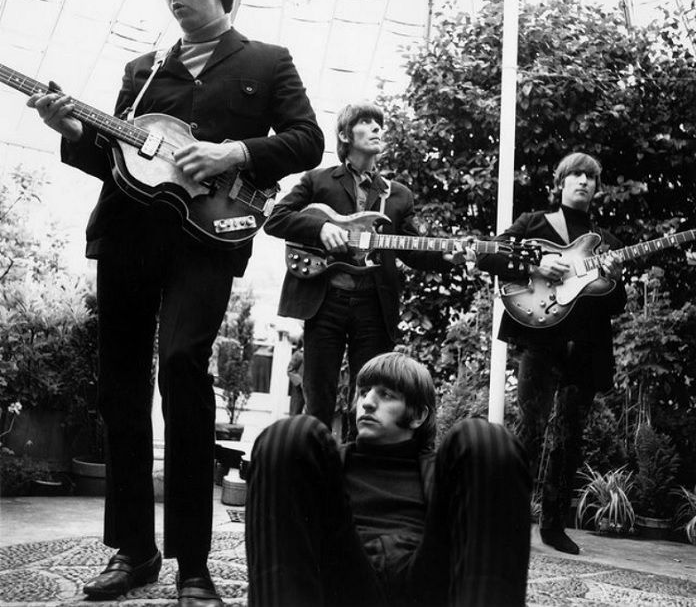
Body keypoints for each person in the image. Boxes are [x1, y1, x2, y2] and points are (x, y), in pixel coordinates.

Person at [26, 0, 323, 606]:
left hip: (206, 242)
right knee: (121, 390)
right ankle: (133, 551)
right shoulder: (143, 69)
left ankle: (194, 563)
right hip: (128, 235)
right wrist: (71, 131)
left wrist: (230, 153)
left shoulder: (268, 62)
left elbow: (307, 139)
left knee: (183, 369)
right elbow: (114, 156)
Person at [245, 351, 532, 606]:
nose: (367, 403)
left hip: (425, 585)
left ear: (418, 415)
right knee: (288, 436)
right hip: (342, 580)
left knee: (485, 439)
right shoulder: (324, 464)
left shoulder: (444, 473)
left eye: (386, 395)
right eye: (364, 391)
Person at [264, 102, 465, 433]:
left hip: (373, 304)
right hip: (325, 299)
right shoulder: (318, 180)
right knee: (318, 397)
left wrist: (447, 256)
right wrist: (320, 229)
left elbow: (413, 249)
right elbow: (275, 217)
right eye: (366, 122)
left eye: (379, 123)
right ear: (345, 134)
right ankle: (315, 471)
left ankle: (357, 473)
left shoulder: (397, 195)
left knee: (369, 397)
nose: (377, 128)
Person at [477, 152, 626, 555]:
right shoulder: (534, 224)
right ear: (560, 182)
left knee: (570, 438)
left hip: (587, 348)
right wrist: (536, 267)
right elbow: (487, 253)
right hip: (541, 340)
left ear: (597, 188)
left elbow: (617, 305)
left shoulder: (605, 243)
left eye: (590, 177)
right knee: (530, 430)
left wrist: (613, 279)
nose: (583, 181)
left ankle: (554, 525)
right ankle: (507, 519)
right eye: (575, 174)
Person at [286, 337, 305, 415]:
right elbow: (290, 370)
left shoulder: (314, 355)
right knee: (296, 411)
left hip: (311, 389)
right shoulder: (298, 354)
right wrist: (300, 382)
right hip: (299, 389)